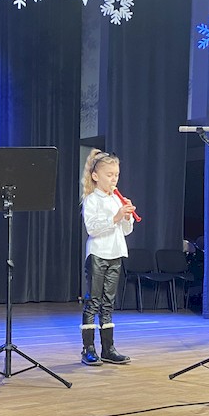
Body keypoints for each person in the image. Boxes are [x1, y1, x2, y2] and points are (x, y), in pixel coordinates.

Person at [80, 149, 136, 365]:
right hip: (98, 254)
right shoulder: (91, 199)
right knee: (93, 302)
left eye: (116, 175)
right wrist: (116, 216)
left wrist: (127, 217)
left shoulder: (116, 200)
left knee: (108, 303)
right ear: (96, 176)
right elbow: (93, 229)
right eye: (109, 175)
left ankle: (108, 348)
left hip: (115, 253)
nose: (114, 179)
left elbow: (126, 231)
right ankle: (88, 348)